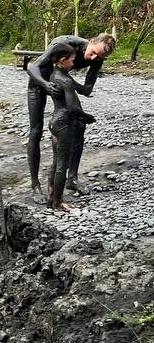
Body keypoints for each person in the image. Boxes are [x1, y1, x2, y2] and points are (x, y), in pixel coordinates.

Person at [26, 32, 115, 194]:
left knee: (79, 125)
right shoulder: (65, 43)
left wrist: (69, 83)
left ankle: (72, 179)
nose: (94, 58)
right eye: (93, 52)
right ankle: (35, 185)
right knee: (35, 132)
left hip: (61, 84)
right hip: (39, 83)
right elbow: (32, 67)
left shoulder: (98, 59)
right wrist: (46, 84)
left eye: (99, 57)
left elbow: (87, 89)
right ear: (91, 41)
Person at [43, 45, 95, 213]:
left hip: (55, 122)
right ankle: (58, 203)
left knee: (56, 161)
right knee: (62, 165)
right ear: (63, 61)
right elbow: (72, 108)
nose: (74, 64)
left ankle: (51, 196)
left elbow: (83, 90)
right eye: (72, 61)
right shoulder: (64, 80)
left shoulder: (56, 74)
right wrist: (87, 117)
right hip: (63, 124)